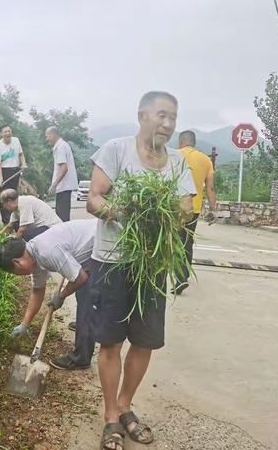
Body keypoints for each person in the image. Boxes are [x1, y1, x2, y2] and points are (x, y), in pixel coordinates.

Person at [87, 91, 196, 449]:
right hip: (114, 261)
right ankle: (110, 418)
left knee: (144, 341)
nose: (167, 124)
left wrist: (166, 216)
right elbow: (95, 198)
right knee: (110, 342)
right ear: (142, 115)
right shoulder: (116, 150)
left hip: (151, 266)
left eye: (173, 118)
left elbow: (184, 207)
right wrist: (125, 212)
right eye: (161, 115)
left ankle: (125, 406)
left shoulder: (178, 162)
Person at [0, 219, 97, 370]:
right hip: (89, 251)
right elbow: (37, 291)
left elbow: (80, 278)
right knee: (83, 295)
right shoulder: (33, 255)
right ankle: (84, 326)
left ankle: (81, 358)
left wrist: (61, 296)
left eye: (14, 272)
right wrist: (25, 324)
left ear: (17, 262)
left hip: (103, 242)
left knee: (86, 296)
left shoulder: (47, 251)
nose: (18, 275)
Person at [176, 130, 217, 294]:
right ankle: (182, 277)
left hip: (171, 208)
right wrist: (213, 209)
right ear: (194, 143)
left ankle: (164, 273)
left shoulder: (172, 155)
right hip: (194, 209)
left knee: (169, 241)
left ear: (180, 142)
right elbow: (210, 188)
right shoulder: (205, 160)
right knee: (186, 242)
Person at [0, 125, 27, 224]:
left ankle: (15, 220)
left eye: (9, 131)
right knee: (3, 196)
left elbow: (21, 154)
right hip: (4, 172)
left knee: (13, 195)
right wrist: (0, 178)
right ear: (2, 134)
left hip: (15, 171)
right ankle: (5, 221)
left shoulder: (16, 140)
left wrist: (23, 163)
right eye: (5, 132)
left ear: (11, 132)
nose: (8, 133)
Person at [45, 126, 78, 222]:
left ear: (53, 134)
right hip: (64, 186)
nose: (47, 139)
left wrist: (54, 184)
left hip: (64, 186)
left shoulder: (60, 147)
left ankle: (64, 235)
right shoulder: (61, 145)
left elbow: (64, 168)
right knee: (61, 214)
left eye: (48, 136)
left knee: (62, 216)